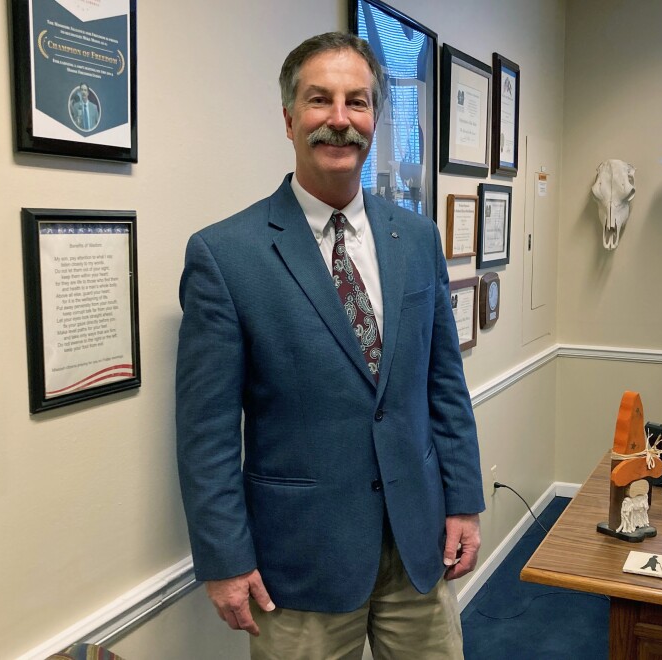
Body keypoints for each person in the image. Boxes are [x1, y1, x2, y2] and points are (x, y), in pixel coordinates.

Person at [175, 31, 484, 659]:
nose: (339, 120)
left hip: (416, 542)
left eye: (358, 102)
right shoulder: (225, 256)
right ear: (289, 119)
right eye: (320, 101)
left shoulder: (417, 238)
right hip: (300, 561)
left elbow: (443, 384)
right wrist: (224, 559)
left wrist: (464, 502)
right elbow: (205, 432)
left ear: (375, 118)